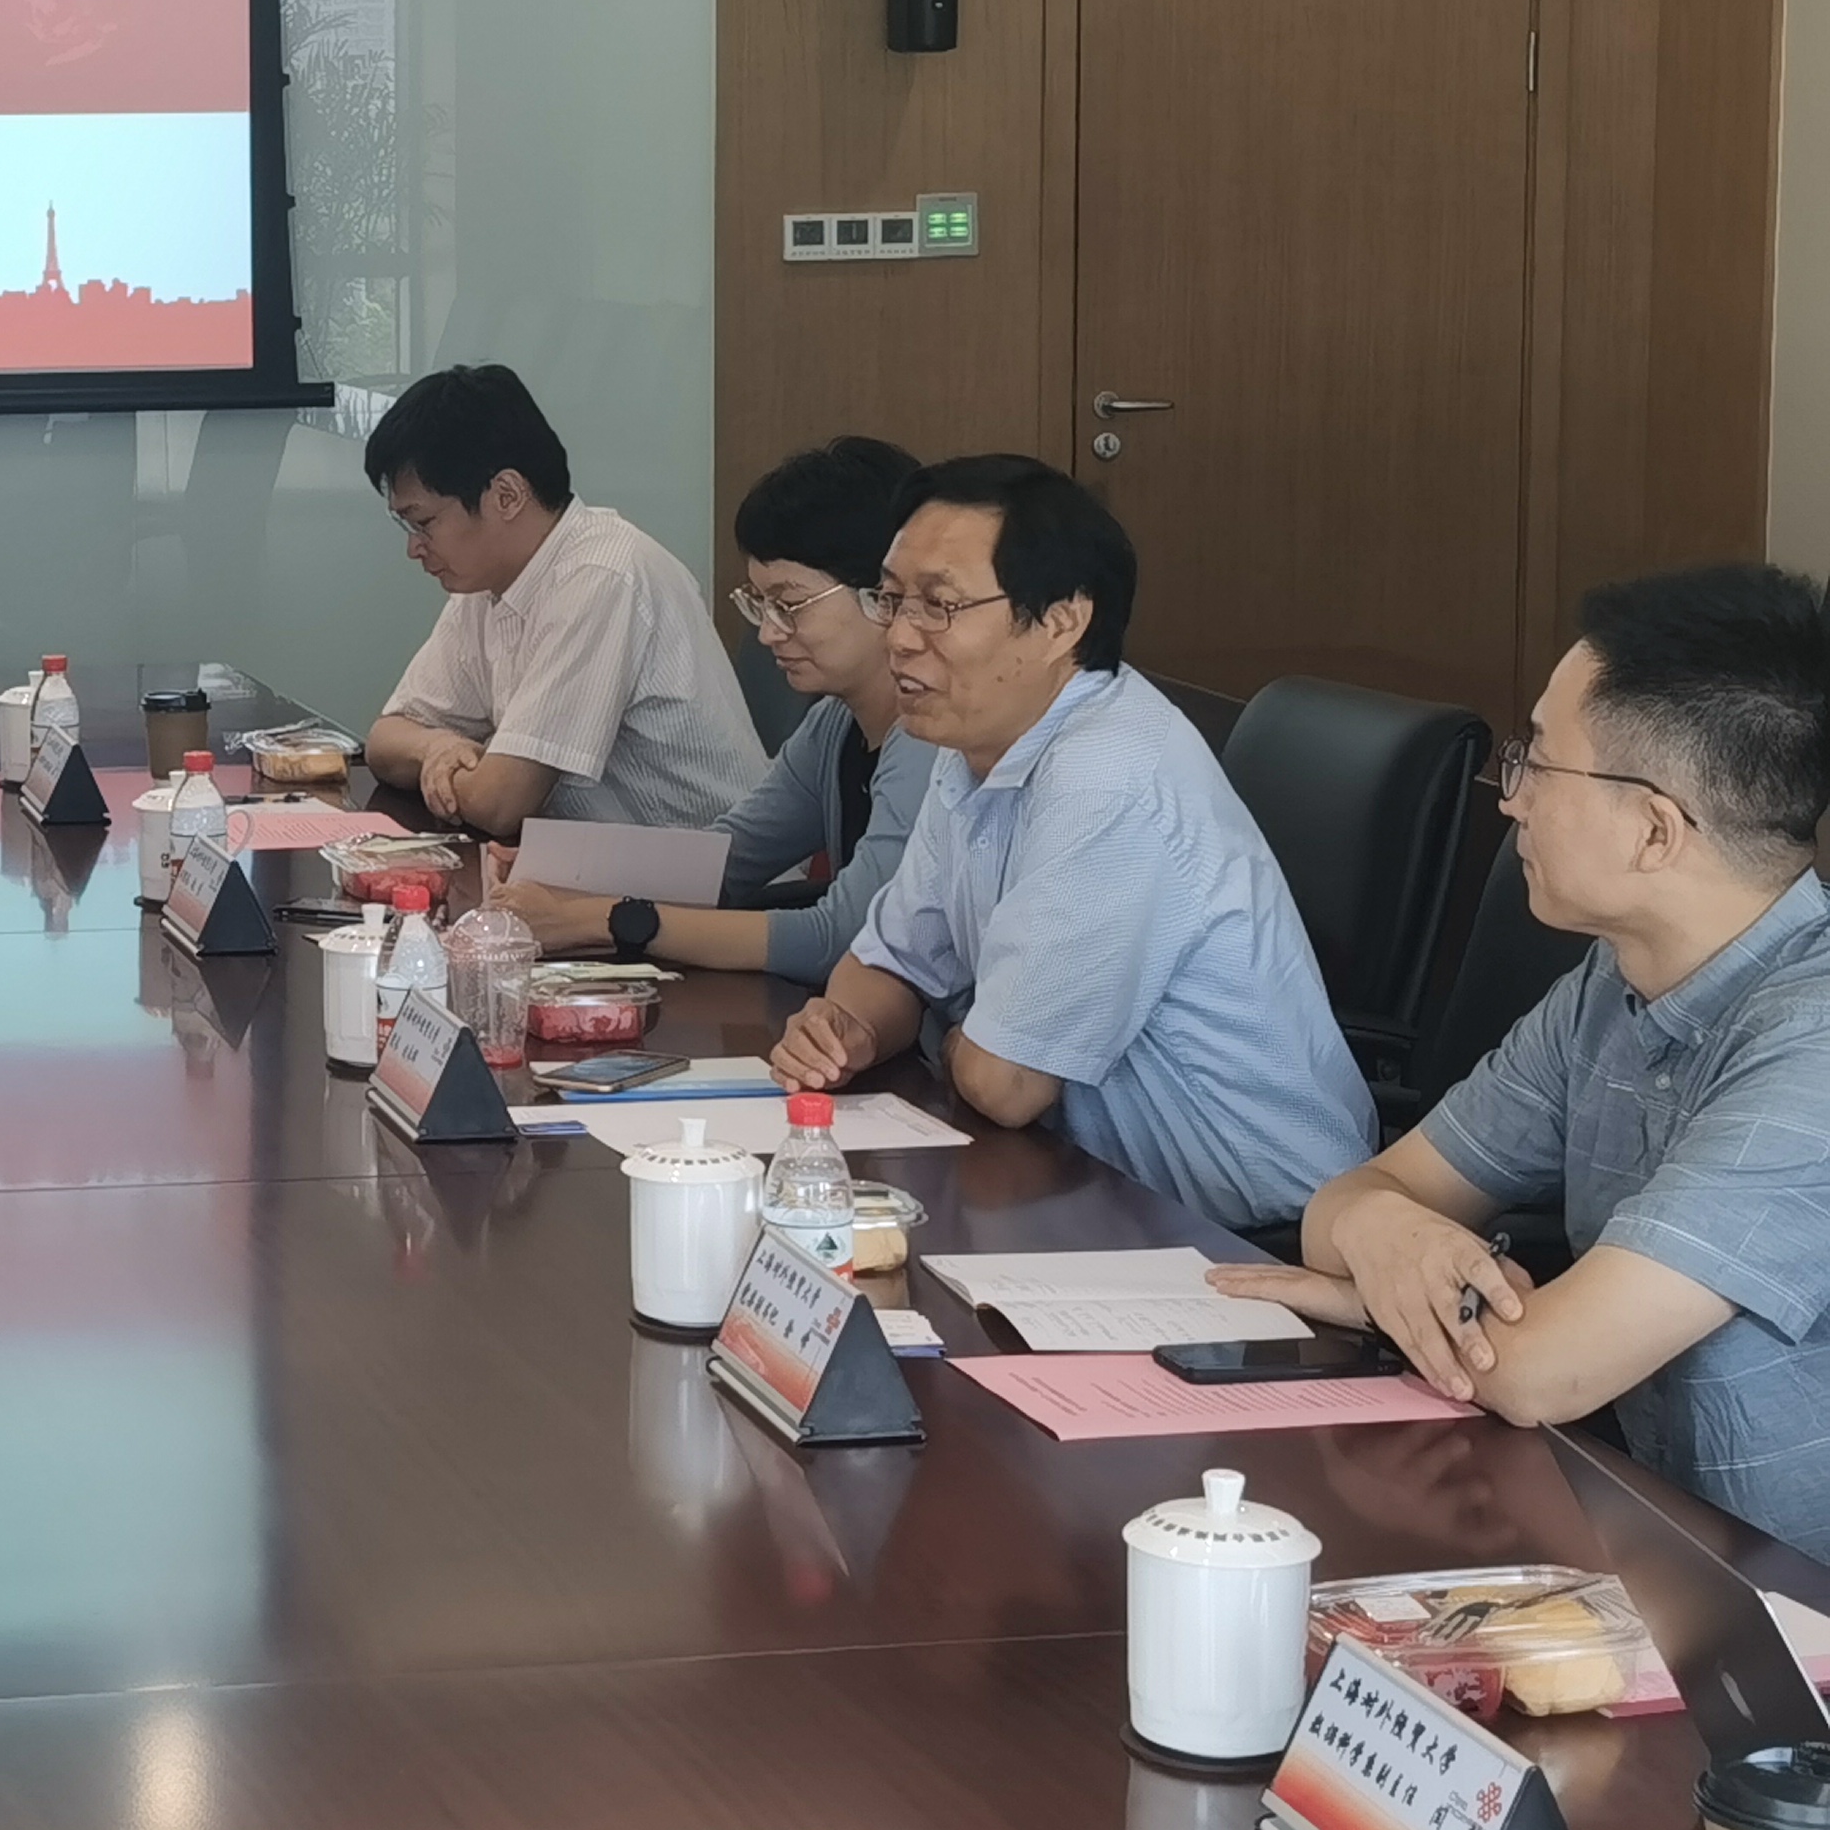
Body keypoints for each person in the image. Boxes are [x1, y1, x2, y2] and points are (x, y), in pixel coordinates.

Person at [1214, 565, 1830, 1563]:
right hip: (1655, 1539)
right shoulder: (1612, 982)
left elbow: (1544, 1371)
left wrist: (1388, 1294)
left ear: (1655, 830)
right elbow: (1351, 1202)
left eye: (1538, 762)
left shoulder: (1814, 1046)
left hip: (1789, 1603)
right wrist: (1381, 1232)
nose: (1511, 801)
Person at [765, 455, 1373, 1232]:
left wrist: (946, 1031)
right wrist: (843, 1031)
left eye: (940, 606)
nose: (901, 637)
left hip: (1247, 1229)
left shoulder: (1109, 779)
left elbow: (1005, 1085)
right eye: (891, 599)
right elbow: (888, 962)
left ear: (1061, 621)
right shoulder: (974, 739)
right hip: (1084, 1185)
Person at [497, 437, 934, 984]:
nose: (769, 633)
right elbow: (722, 859)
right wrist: (556, 872)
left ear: (883, 594)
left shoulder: (929, 741)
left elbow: (842, 936)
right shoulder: (835, 723)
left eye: (790, 605)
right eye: (761, 605)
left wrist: (598, 919)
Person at [357, 364, 763, 840]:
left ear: (506, 495)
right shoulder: (486, 584)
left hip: (716, 873)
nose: (414, 548)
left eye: (423, 523)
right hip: (597, 866)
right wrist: (437, 747)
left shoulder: (601, 576)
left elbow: (500, 803)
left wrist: (452, 771)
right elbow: (385, 740)